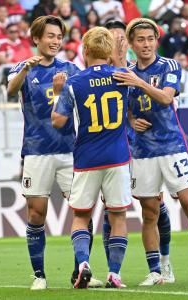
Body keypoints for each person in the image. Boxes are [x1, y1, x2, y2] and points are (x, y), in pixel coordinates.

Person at [112, 17, 188, 286]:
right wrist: (129, 119)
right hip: (142, 150)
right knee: (149, 212)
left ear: (156, 40)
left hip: (172, 146)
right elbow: (118, 105)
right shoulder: (125, 71)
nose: (146, 44)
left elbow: (166, 97)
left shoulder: (168, 65)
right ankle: (156, 270)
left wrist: (138, 81)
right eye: (140, 40)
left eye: (150, 39)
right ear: (132, 44)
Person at [6, 15, 101, 290]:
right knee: (37, 213)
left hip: (70, 151)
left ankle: (80, 271)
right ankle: (39, 275)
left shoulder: (71, 68)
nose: (55, 41)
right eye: (50, 36)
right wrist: (25, 69)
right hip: (36, 152)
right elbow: (11, 90)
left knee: (83, 210)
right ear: (36, 38)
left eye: (59, 37)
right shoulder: (23, 68)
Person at [51, 26, 131, 289]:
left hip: (86, 158)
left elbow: (58, 121)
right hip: (118, 157)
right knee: (117, 216)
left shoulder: (74, 83)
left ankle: (83, 261)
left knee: (81, 216)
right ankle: (115, 273)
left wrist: (58, 92)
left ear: (85, 51)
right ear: (108, 52)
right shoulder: (123, 77)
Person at [104, 20, 176, 284]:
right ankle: (115, 270)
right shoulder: (102, 73)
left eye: (122, 39)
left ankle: (164, 263)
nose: (119, 45)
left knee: (156, 206)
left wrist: (133, 122)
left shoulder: (136, 72)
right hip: (112, 149)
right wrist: (129, 120)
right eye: (113, 40)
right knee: (110, 210)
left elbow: (159, 100)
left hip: (142, 148)